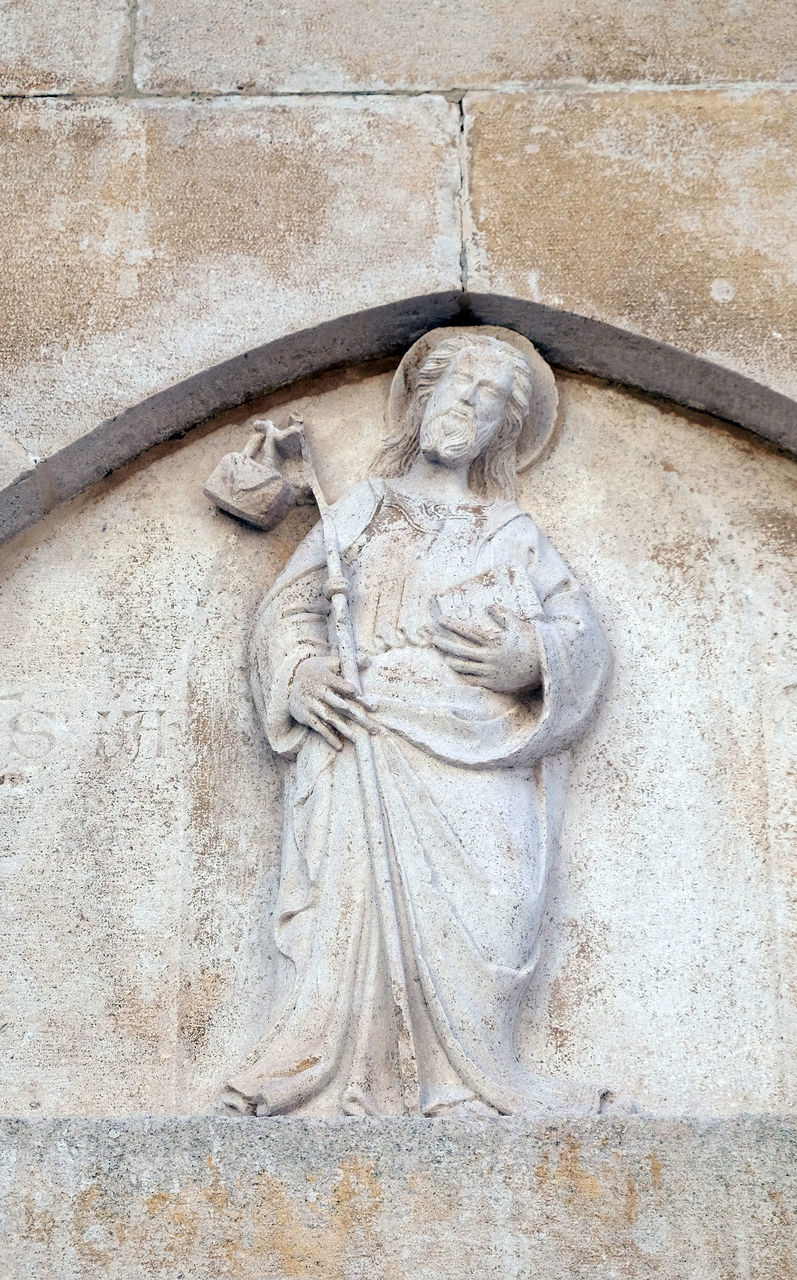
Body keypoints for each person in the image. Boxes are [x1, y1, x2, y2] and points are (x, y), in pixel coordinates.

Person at [223, 332, 610, 1117]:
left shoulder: (512, 532)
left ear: (504, 427)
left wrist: (526, 658)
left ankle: (470, 1079)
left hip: (478, 742)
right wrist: (300, 672)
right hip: (367, 729)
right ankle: (348, 1075)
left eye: (488, 397)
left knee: (498, 907)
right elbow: (289, 612)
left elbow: (581, 636)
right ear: (424, 398)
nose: (466, 403)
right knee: (351, 908)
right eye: (455, 385)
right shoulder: (362, 507)